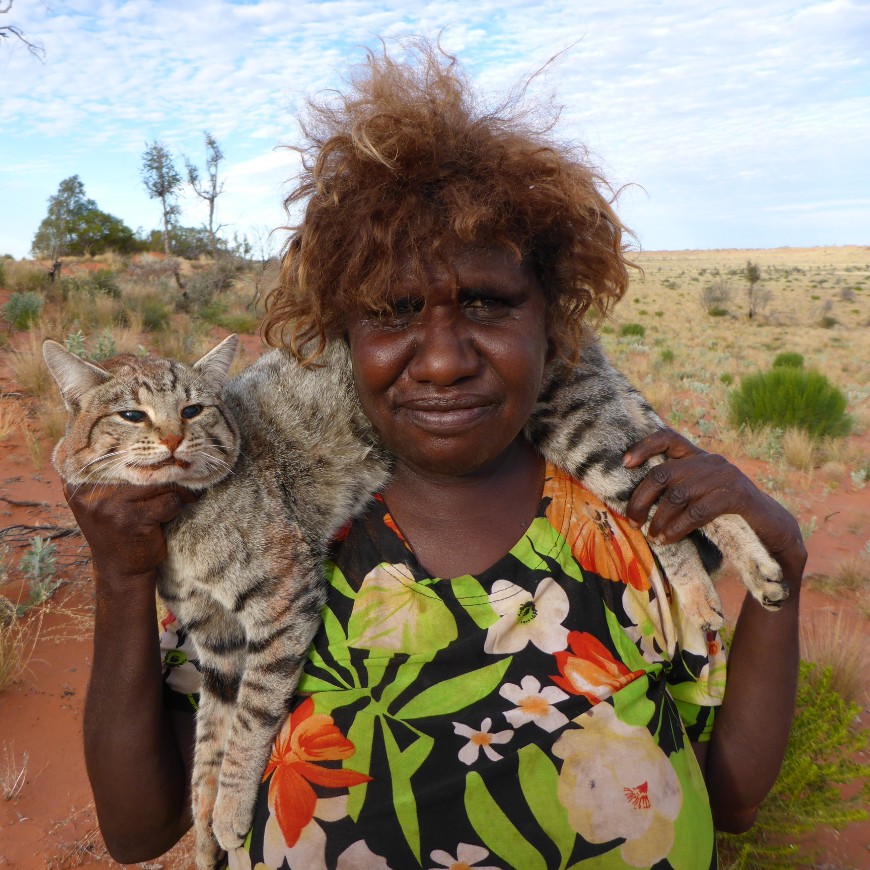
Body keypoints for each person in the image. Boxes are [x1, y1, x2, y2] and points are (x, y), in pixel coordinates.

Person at [68, 42, 806, 869]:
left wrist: (784, 574)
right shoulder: (262, 523)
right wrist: (123, 578)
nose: (446, 358)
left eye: (489, 304)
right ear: (339, 334)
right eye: (392, 310)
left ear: (554, 323)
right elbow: (138, 829)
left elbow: (735, 798)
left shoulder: (638, 528)